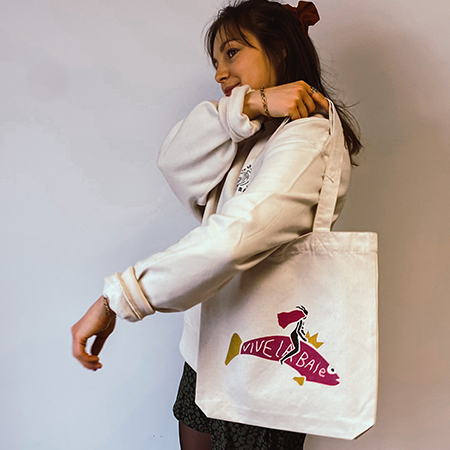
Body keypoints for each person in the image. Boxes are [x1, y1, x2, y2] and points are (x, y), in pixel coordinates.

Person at [71, 1, 361, 449]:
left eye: (232, 53)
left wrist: (118, 298)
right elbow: (174, 163)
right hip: (209, 349)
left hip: (264, 363)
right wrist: (252, 104)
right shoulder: (251, 131)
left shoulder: (309, 137)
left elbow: (233, 240)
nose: (221, 74)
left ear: (280, 48)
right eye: (216, 62)